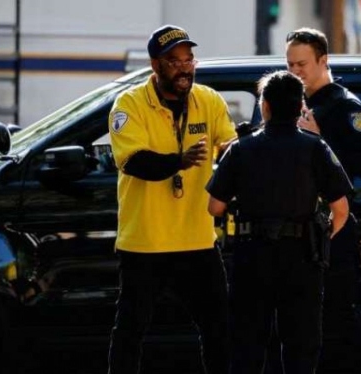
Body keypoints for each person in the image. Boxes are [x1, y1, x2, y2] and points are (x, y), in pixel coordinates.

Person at [107, 25, 236, 374]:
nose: (184, 67)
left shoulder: (208, 100)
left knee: (218, 329)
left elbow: (229, 150)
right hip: (145, 243)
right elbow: (135, 163)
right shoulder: (129, 104)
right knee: (130, 332)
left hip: (197, 241)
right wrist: (179, 161)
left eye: (188, 59)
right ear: (156, 65)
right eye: (174, 61)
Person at [206, 70, 352, 374]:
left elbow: (215, 207)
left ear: (265, 106)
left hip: (252, 256)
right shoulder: (316, 148)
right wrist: (320, 237)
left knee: (247, 344)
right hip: (302, 257)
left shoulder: (241, 149)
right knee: (301, 345)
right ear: (301, 106)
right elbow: (341, 210)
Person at [285, 27, 361, 373]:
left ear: (323, 61)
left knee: (338, 316)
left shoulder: (344, 107)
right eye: (290, 64)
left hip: (333, 228)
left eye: (302, 64)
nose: (295, 71)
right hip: (296, 226)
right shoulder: (293, 102)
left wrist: (318, 141)